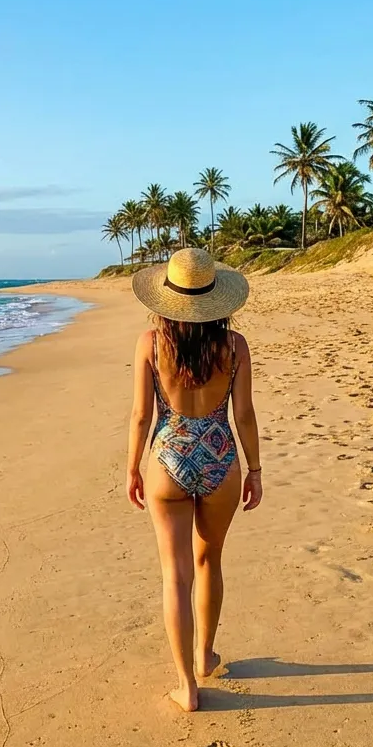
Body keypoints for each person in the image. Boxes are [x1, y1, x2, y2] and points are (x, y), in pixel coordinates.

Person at [125, 247, 263, 712]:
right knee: (210, 562)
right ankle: (205, 655)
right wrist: (256, 470)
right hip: (222, 460)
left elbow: (143, 415)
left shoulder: (151, 343)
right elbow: (242, 414)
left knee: (175, 575)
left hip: (168, 461)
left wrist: (130, 468)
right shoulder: (235, 346)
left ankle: (186, 685)